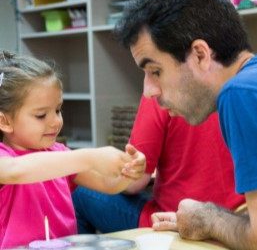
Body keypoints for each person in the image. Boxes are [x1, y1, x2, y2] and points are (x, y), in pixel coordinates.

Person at [114, 0, 257, 249]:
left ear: (201, 55)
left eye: (155, 71)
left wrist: (209, 219)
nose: (149, 91)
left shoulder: (238, 93)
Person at [0, 51, 146, 249]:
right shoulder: (5, 160)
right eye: (41, 115)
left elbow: (107, 185)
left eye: (58, 110)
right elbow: (15, 171)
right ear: (4, 121)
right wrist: (89, 157)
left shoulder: (60, 154)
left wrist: (127, 174)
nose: (56, 121)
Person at [72, 95, 245, 233]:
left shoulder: (160, 92)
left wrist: (91, 164)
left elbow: (134, 183)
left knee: (78, 194)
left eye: (153, 71)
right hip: (240, 221)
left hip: (173, 221)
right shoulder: (242, 88)